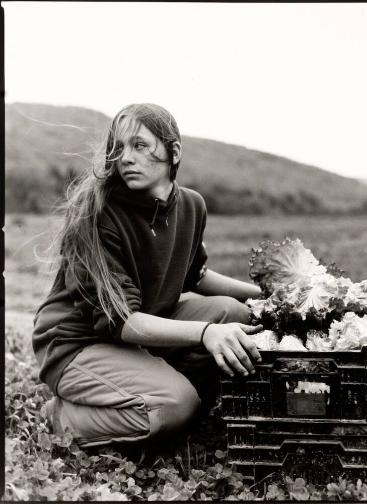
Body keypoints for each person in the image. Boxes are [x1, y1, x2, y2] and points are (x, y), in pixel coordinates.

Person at [33, 103, 263, 448]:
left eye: (139, 146)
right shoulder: (99, 214)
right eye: (119, 148)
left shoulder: (191, 206)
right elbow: (120, 321)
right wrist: (204, 332)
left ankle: (169, 401)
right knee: (175, 404)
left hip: (140, 327)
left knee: (235, 314)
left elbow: (195, 276)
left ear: (174, 152)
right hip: (77, 343)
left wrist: (267, 296)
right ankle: (63, 417)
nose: (125, 158)